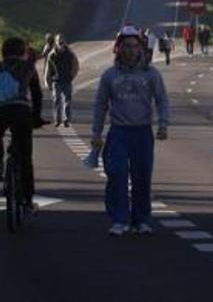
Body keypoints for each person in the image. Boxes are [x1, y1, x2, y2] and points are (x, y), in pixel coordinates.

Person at [92, 25, 170, 236]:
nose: (131, 50)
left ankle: (141, 219)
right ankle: (119, 219)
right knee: (116, 174)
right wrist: (96, 133)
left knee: (142, 176)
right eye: (126, 46)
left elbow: (162, 100)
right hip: (118, 133)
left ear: (141, 49)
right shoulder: (109, 76)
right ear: (118, 48)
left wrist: (163, 124)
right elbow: (100, 105)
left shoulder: (151, 74)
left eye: (135, 46)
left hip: (142, 133)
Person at [0, 37, 44, 214]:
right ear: (22, 52)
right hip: (21, 111)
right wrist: (36, 118)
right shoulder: (29, 68)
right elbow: (37, 95)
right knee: (25, 156)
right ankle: (27, 199)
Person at [46, 34, 79, 127]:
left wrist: (71, 76)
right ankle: (57, 119)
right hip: (56, 81)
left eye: (62, 40)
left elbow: (75, 66)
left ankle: (66, 120)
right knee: (56, 100)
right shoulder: (52, 55)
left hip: (67, 80)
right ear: (55, 42)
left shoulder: (70, 54)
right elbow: (48, 69)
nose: (60, 42)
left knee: (67, 100)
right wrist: (47, 81)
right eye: (58, 40)